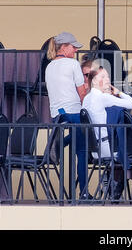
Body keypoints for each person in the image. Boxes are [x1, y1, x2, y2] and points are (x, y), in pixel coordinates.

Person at [45, 32, 90, 198]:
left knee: (78, 136)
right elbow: (82, 92)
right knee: (82, 151)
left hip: (57, 115)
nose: (75, 50)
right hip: (73, 112)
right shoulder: (72, 64)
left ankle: (56, 145)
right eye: (73, 47)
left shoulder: (49, 66)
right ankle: (84, 192)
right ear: (64, 47)